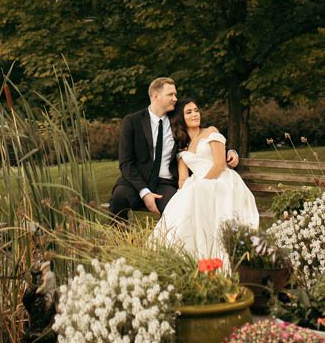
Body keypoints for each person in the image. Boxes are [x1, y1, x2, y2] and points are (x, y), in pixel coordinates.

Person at [108, 78, 239, 222]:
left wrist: (230, 151)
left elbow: (203, 134)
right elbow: (125, 163)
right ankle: (118, 239)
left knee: (178, 212)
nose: (175, 99)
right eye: (170, 95)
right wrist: (144, 192)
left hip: (166, 183)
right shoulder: (132, 121)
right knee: (118, 199)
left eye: (175, 94)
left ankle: (169, 243)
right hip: (136, 182)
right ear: (155, 96)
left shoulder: (177, 118)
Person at [154, 98, 259, 258]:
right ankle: (181, 253)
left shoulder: (211, 132)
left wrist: (201, 185)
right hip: (197, 183)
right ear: (181, 118)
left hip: (221, 180)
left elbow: (219, 165)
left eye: (196, 110)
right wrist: (184, 193)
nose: (195, 114)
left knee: (198, 193)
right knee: (181, 206)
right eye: (189, 112)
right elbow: (182, 178)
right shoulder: (182, 146)